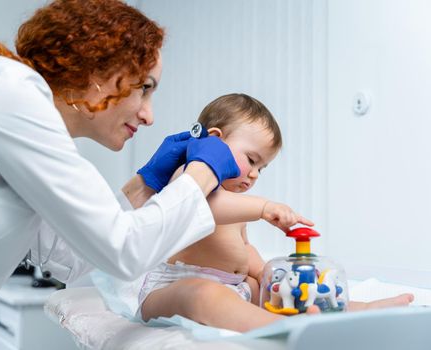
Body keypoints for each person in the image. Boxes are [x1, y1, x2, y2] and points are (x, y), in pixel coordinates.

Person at [0, 0, 241, 348]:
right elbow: (123, 251)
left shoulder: (16, 116)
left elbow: (73, 258)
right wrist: (203, 173)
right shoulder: (8, 91)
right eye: (145, 88)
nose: (148, 115)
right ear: (100, 71)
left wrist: (146, 183)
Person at [137, 93, 415, 332]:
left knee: (275, 292)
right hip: (175, 287)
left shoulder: (236, 201)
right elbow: (200, 207)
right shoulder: (188, 177)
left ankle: (357, 311)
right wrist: (264, 207)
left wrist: (267, 274)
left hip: (233, 286)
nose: (255, 174)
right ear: (214, 141)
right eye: (251, 160)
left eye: (262, 168)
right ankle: (278, 329)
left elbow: (244, 248)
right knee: (204, 294)